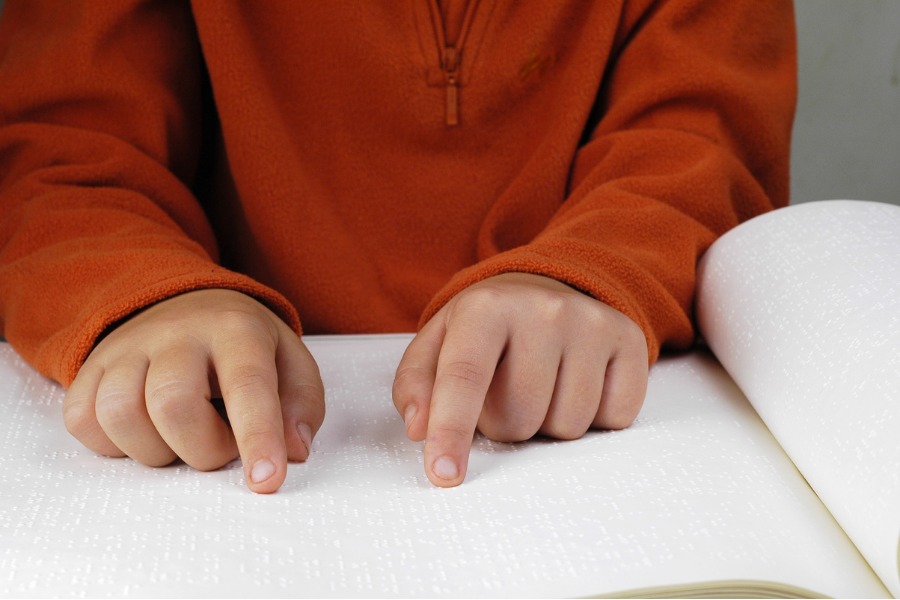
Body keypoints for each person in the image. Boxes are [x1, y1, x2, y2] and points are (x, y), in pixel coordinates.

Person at [0, 1, 796, 494]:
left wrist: (598, 269)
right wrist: (146, 291)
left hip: (599, 439)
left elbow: (707, 142)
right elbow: (59, 153)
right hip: (226, 439)